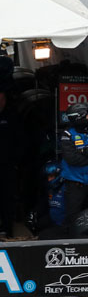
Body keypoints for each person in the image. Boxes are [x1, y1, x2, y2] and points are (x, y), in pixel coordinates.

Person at [60, 102, 88, 224]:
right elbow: (72, 159)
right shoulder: (67, 134)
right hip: (75, 184)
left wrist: (84, 151)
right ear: (78, 117)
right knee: (73, 218)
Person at [0, 84, 21, 238]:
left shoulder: (11, 116)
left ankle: (7, 229)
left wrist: (17, 161)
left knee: (7, 197)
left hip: (7, 165)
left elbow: (20, 140)